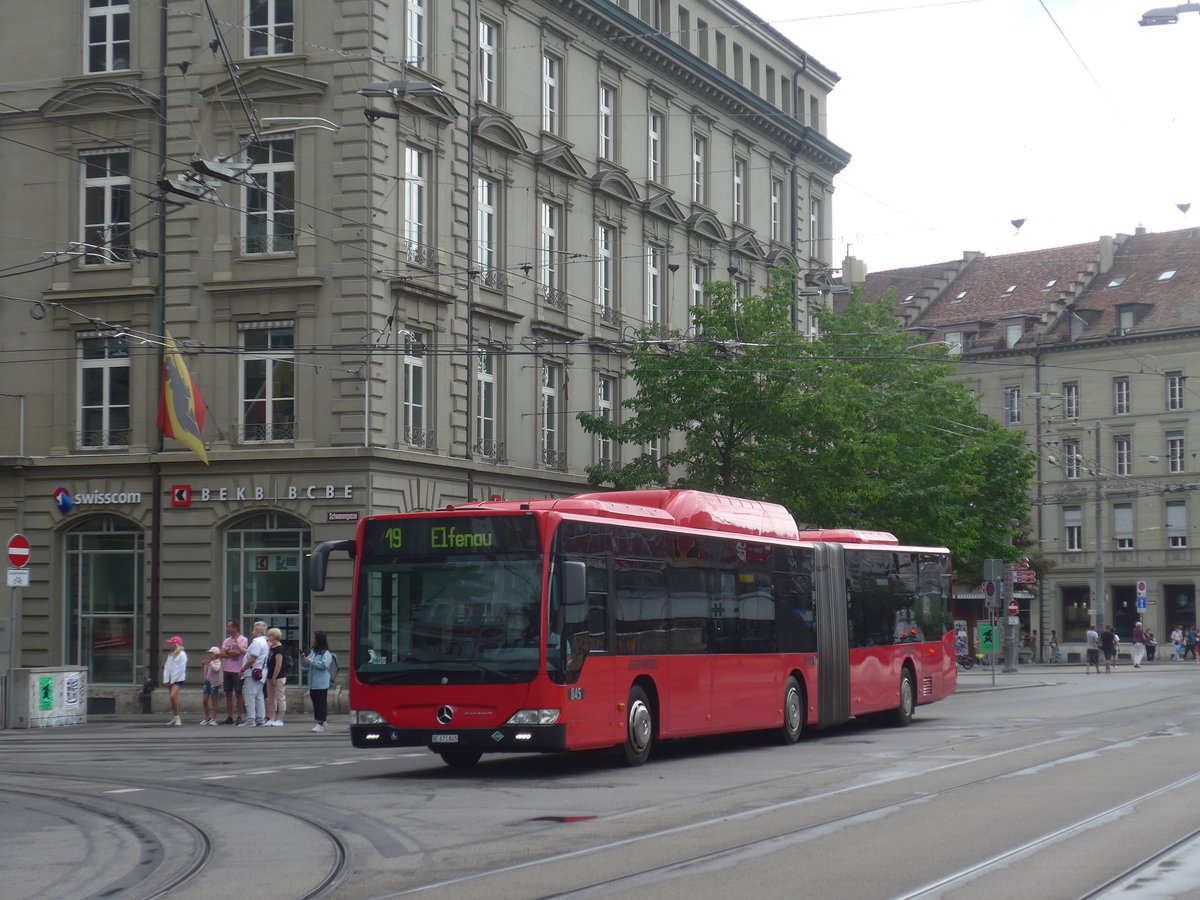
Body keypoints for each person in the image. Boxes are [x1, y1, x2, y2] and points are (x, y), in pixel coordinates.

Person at [300, 631, 335, 733]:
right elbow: (307, 665)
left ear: (319, 640)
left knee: (321, 703)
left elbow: (324, 665)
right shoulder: (313, 652)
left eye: (314, 638)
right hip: (312, 683)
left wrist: (311, 661)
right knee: (315, 702)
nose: (312, 640)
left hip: (321, 683)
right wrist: (303, 659)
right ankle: (321, 722)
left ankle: (321, 722)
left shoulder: (326, 653)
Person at [239, 621, 270, 727]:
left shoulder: (257, 642)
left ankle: (251, 719)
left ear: (257, 631)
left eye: (253, 629)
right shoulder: (264, 642)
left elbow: (252, 659)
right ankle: (260, 718)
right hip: (261, 672)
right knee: (259, 696)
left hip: (253, 672)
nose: (252, 632)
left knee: (250, 696)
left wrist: (242, 669)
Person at [219, 620, 248, 724]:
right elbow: (221, 654)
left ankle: (239, 716)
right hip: (227, 669)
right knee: (228, 694)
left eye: (229, 627)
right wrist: (230, 652)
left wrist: (228, 652)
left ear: (235, 628)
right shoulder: (226, 640)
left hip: (237, 670)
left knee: (239, 693)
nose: (228, 629)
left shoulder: (243, 640)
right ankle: (230, 717)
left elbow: (239, 652)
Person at [264, 627, 288, 726]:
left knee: (280, 697)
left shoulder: (279, 649)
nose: (267, 637)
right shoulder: (271, 648)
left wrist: (274, 677)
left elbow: (278, 665)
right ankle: (271, 718)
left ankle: (280, 719)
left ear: (273, 636)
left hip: (278, 676)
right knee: (271, 698)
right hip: (269, 676)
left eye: (269, 635)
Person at [162, 636, 187, 726]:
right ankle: (175, 717)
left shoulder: (182, 655)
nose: (170, 645)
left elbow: (180, 669)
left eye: (171, 643)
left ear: (176, 644)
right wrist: (166, 679)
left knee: (173, 696)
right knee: (172, 699)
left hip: (178, 679)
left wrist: (172, 681)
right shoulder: (171, 655)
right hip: (171, 680)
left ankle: (177, 718)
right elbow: (167, 667)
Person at [200, 646, 222, 725]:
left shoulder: (217, 662)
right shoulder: (209, 662)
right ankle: (207, 718)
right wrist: (203, 664)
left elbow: (217, 669)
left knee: (214, 701)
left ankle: (214, 719)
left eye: (211, 653)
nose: (210, 655)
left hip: (214, 683)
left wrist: (211, 663)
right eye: (209, 654)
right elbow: (205, 671)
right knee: (205, 700)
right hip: (207, 682)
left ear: (216, 654)